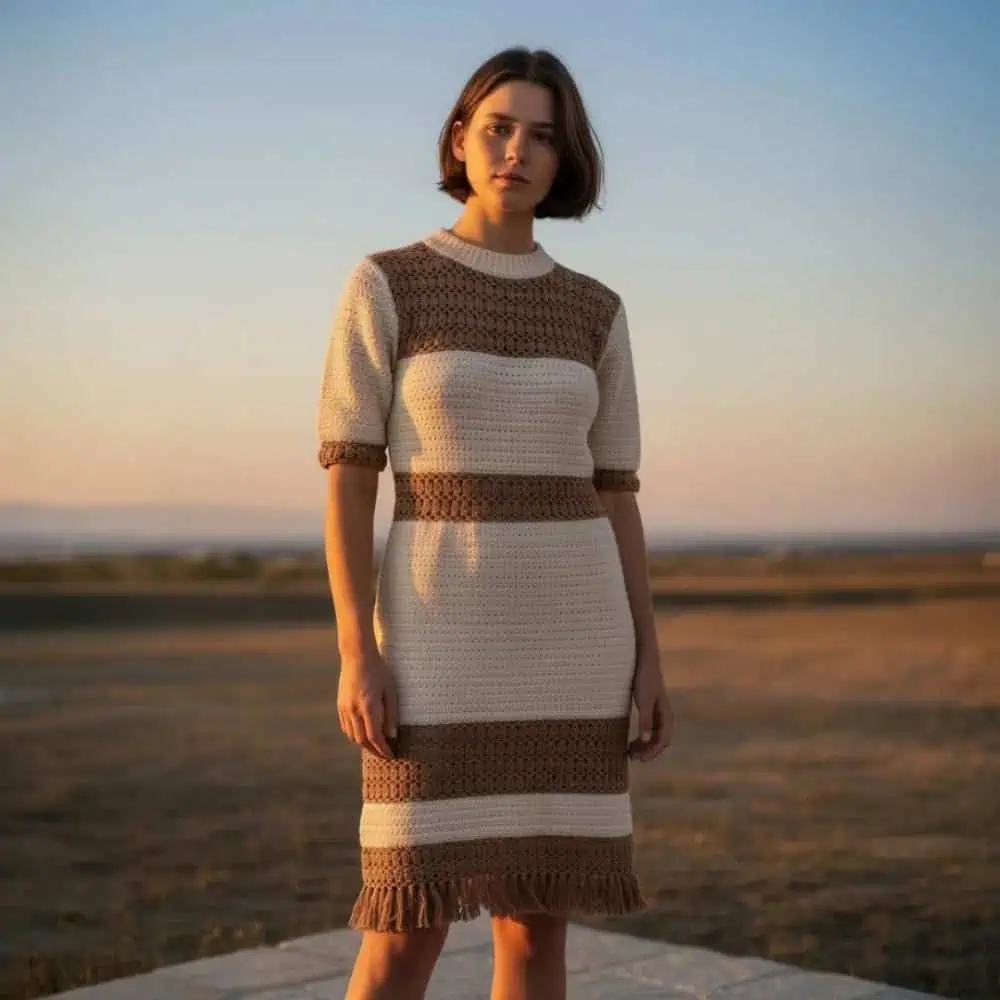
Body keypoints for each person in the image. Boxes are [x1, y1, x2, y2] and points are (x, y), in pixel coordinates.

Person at [317, 45, 673, 1000]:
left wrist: (649, 653)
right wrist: (359, 650)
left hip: (573, 639)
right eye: (499, 127)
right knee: (405, 923)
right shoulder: (387, 283)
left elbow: (616, 493)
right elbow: (350, 480)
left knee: (535, 928)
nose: (518, 150)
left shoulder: (595, 310)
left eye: (543, 136)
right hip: (434, 642)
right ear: (460, 140)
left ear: (566, 161)